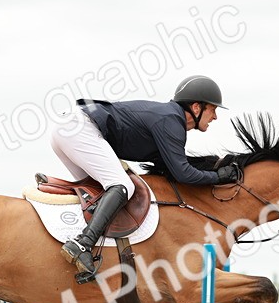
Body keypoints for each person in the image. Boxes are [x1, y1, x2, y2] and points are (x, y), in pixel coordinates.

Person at [52, 75, 241, 276]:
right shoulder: (171, 121)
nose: (215, 117)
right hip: (79, 128)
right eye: (213, 109)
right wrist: (218, 177)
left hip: (69, 128)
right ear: (196, 108)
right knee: (123, 186)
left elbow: (171, 168)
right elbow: (183, 174)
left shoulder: (170, 120)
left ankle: (78, 241)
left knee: (100, 194)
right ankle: (82, 244)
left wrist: (212, 170)